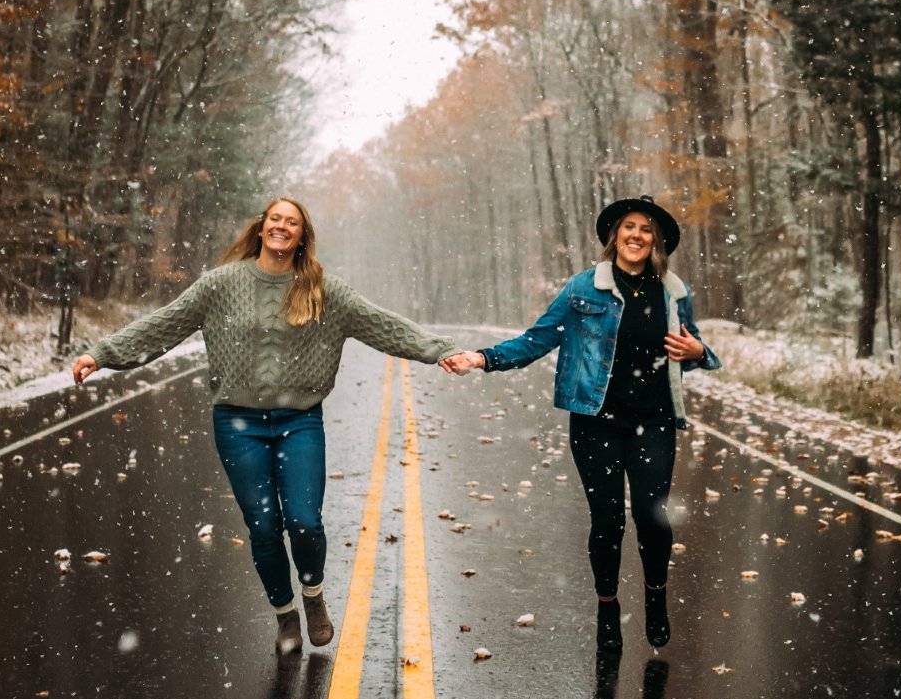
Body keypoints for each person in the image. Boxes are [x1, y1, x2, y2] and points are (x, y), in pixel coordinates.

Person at [71, 197, 459, 656]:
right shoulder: (220, 285)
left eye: (291, 222)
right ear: (261, 228)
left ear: (301, 235)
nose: (281, 226)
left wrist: (440, 350)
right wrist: (104, 354)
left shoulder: (321, 290)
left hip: (300, 420)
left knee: (304, 521)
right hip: (238, 423)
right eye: (275, 218)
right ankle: (285, 614)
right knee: (262, 526)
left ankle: (312, 595)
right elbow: (164, 325)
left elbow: (382, 325)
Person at [441, 196, 719, 653]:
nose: (636, 235)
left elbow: (692, 349)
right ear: (615, 237)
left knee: (654, 520)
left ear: (657, 242)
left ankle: (655, 596)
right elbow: (538, 338)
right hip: (596, 422)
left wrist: (698, 354)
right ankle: (608, 609)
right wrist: (483, 358)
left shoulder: (674, 292)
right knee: (607, 522)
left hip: (654, 422)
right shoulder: (582, 289)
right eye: (628, 227)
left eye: (646, 230)